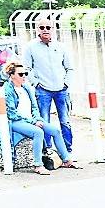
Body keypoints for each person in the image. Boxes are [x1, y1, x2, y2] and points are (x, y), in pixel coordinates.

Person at [2, 62, 80, 174]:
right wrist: (33, 122)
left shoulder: (26, 88)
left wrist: (37, 119)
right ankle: (38, 165)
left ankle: (66, 160)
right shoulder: (7, 90)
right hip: (16, 122)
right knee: (38, 132)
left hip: (31, 120)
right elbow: (12, 113)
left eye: (25, 73)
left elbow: (34, 107)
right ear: (12, 75)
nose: (24, 76)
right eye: (21, 74)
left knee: (55, 131)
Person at [24, 16, 74, 154]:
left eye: (48, 27)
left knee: (65, 121)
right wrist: (36, 84)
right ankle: (48, 150)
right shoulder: (30, 47)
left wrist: (66, 84)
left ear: (53, 29)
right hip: (43, 90)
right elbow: (27, 69)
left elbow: (70, 68)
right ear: (37, 30)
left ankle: (67, 150)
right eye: (42, 27)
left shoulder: (61, 47)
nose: (45, 30)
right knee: (44, 121)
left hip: (61, 90)